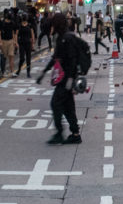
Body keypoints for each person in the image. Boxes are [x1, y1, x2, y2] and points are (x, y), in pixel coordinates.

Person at [37, 13, 82, 145]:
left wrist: (70, 80)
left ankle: (59, 133)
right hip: (64, 78)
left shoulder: (66, 38)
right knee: (68, 107)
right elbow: (55, 58)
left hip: (66, 79)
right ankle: (75, 134)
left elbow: (73, 60)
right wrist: (44, 72)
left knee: (55, 104)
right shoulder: (62, 38)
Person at [15, 12, 35, 77]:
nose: (24, 18)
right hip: (21, 43)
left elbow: (32, 35)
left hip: (28, 43)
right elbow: (16, 34)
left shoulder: (29, 25)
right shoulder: (19, 25)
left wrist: (32, 44)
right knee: (22, 58)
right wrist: (16, 43)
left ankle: (28, 72)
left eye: (25, 17)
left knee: (28, 58)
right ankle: (18, 70)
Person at [0, 11, 17, 76]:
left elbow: (13, 32)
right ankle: (3, 72)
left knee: (11, 56)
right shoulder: (2, 23)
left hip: (11, 41)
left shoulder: (12, 23)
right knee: (3, 57)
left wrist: (14, 41)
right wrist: (0, 41)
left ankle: (12, 72)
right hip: (3, 41)